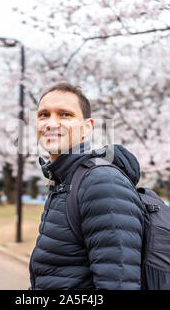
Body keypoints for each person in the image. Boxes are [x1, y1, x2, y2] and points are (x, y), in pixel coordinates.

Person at [29, 82, 144, 290]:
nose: (51, 123)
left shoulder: (101, 182)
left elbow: (118, 283)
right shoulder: (64, 178)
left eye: (65, 115)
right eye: (43, 115)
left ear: (87, 128)